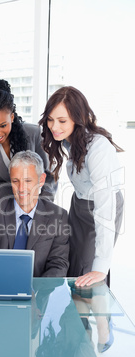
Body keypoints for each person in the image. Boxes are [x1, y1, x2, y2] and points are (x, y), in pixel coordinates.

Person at [39, 86, 124, 287]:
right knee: (73, 262)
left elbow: (105, 207)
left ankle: (100, 316)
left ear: (78, 119)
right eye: (50, 119)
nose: (54, 127)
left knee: (91, 271)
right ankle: (75, 314)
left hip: (101, 207)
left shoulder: (98, 147)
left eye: (62, 121)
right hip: (78, 205)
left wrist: (101, 266)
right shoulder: (68, 140)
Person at [0, 150, 70, 277]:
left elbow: (58, 264)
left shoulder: (58, 216)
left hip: (36, 290)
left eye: (28, 181)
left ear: (41, 180)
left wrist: (37, 292)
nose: (21, 189)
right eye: (15, 181)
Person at [0, 79, 56, 200]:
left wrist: (38, 211)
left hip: (36, 209)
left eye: (3, 125)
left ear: (12, 117)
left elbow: (49, 178)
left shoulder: (34, 133)